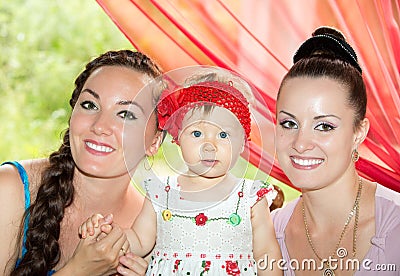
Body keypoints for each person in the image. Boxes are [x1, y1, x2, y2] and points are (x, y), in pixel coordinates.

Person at [80, 68, 283, 275]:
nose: (209, 146)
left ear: (242, 143)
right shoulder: (162, 193)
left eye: (223, 134)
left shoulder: (250, 197)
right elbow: (140, 240)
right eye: (197, 133)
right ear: (178, 138)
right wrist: (108, 232)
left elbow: (267, 253)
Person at [0, 49, 165, 275]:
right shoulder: (10, 188)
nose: (99, 126)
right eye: (90, 105)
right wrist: (80, 270)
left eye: (126, 115)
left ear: (154, 141)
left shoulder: (153, 233)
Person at [272, 26, 400, 275]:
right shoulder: (269, 236)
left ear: (358, 133)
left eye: (324, 126)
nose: (300, 143)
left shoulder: (395, 225)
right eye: (289, 123)